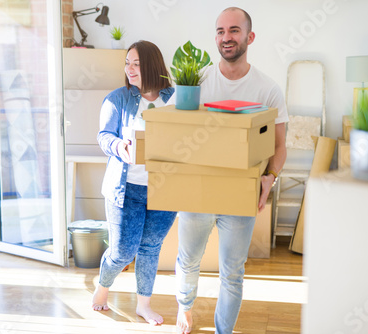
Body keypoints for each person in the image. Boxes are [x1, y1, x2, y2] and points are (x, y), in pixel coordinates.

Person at [174, 7, 289, 334]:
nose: (227, 37)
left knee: (232, 272)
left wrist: (270, 179)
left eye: (234, 30)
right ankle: (185, 307)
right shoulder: (197, 82)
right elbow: (176, 131)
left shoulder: (268, 90)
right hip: (197, 194)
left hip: (242, 197)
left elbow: (279, 146)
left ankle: (224, 331)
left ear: (249, 37)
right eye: (221, 31)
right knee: (189, 260)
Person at [93, 40, 177, 326]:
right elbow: (105, 136)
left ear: (152, 66)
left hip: (164, 188)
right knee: (122, 252)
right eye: (127, 63)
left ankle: (144, 305)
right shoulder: (117, 98)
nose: (129, 69)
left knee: (151, 248)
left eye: (136, 64)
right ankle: (102, 288)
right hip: (125, 189)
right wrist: (121, 148)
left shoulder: (175, 99)